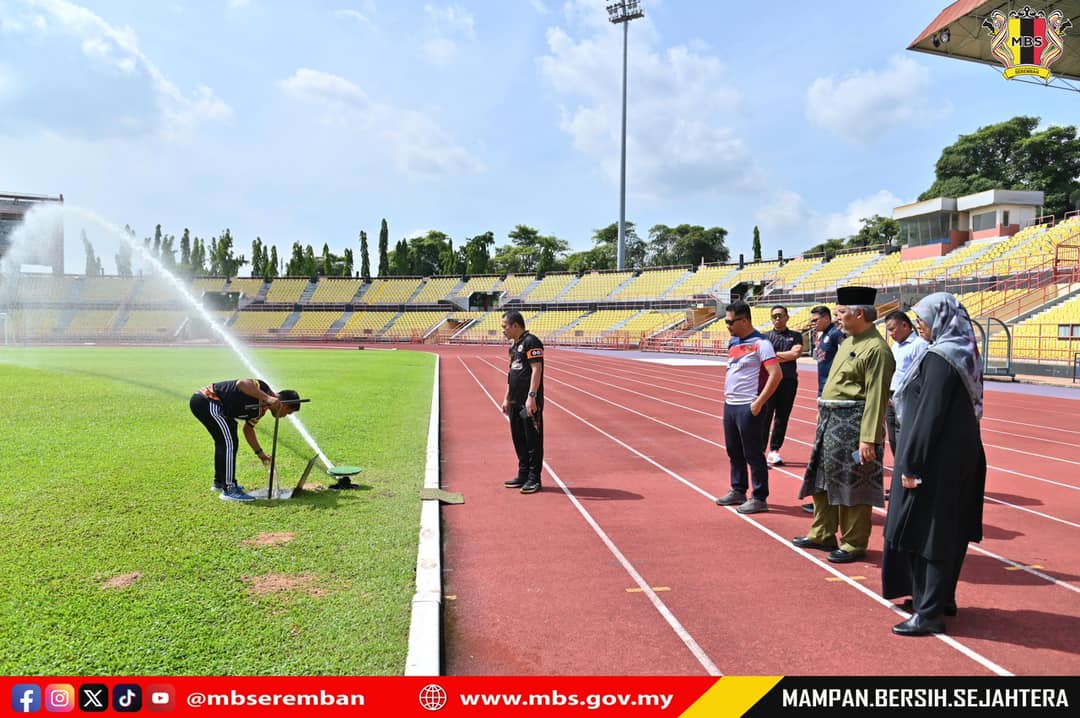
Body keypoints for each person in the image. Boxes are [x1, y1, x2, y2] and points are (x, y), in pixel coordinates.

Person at [882, 293, 986, 636]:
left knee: (929, 531)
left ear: (941, 318)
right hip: (961, 455)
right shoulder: (965, 351)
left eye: (923, 318)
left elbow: (929, 416)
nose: (919, 324)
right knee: (949, 529)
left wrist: (911, 465)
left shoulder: (941, 358)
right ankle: (941, 598)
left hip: (936, 459)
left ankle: (929, 612)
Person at [794, 286, 894, 563]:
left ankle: (853, 542)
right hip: (830, 423)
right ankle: (823, 532)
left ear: (859, 313)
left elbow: (877, 397)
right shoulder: (847, 341)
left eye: (840, 313)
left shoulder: (877, 349)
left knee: (853, 484)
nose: (836, 318)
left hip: (854, 427)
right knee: (822, 480)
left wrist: (869, 439)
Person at [715, 301, 782, 514]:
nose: (727, 325)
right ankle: (738, 489)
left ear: (744, 320)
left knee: (753, 453)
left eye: (730, 322)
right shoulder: (733, 342)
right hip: (731, 404)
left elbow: (776, 374)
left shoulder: (762, 344)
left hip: (749, 404)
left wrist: (759, 402)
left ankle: (759, 496)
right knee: (733, 450)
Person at [190, 379, 301, 501]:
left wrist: (260, 453)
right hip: (207, 400)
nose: (286, 415)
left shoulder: (260, 412)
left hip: (214, 406)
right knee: (228, 442)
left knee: (228, 437)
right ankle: (229, 490)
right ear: (284, 405)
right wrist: (268, 398)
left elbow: (248, 429)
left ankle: (220, 483)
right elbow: (241, 383)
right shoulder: (262, 388)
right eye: (288, 412)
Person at [801, 305, 846, 513]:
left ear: (827, 318)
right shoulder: (822, 336)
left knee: (828, 448)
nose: (814, 323)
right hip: (823, 392)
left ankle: (830, 498)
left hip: (833, 394)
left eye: (816, 319)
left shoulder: (836, 335)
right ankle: (823, 496)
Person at [883, 309, 929, 492]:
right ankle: (900, 479)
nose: (892, 334)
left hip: (907, 400)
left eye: (893, 329)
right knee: (894, 441)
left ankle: (909, 476)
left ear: (904, 325)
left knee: (905, 440)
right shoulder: (896, 347)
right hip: (891, 399)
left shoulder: (919, 345)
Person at [500, 310, 544, 494]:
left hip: (528, 403)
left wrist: (531, 397)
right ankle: (523, 473)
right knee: (518, 439)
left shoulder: (531, 342)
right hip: (515, 401)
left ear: (515, 325)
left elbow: (536, 369)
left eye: (505, 326)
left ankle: (534, 478)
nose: (503, 330)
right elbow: (512, 374)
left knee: (532, 440)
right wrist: (506, 397)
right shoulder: (514, 346)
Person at [761, 305, 803, 467]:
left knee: (782, 417)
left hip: (788, 381)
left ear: (787, 317)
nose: (777, 319)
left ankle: (774, 451)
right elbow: (763, 357)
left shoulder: (796, 336)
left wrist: (772, 355)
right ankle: (760, 450)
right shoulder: (765, 337)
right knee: (765, 417)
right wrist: (785, 356)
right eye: (774, 316)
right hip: (770, 381)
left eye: (780, 315)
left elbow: (795, 354)